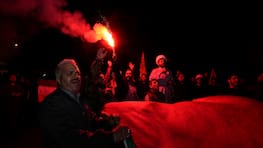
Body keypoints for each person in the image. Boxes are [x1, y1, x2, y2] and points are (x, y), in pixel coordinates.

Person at [38, 59, 131, 148]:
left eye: (78, 73)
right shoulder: (52, 104)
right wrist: (111, 138)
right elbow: (71, 140)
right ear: (59, 79)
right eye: (70, 73)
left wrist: (107, 122)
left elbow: (91, 122)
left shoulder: (80, 99)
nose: (76, 76)